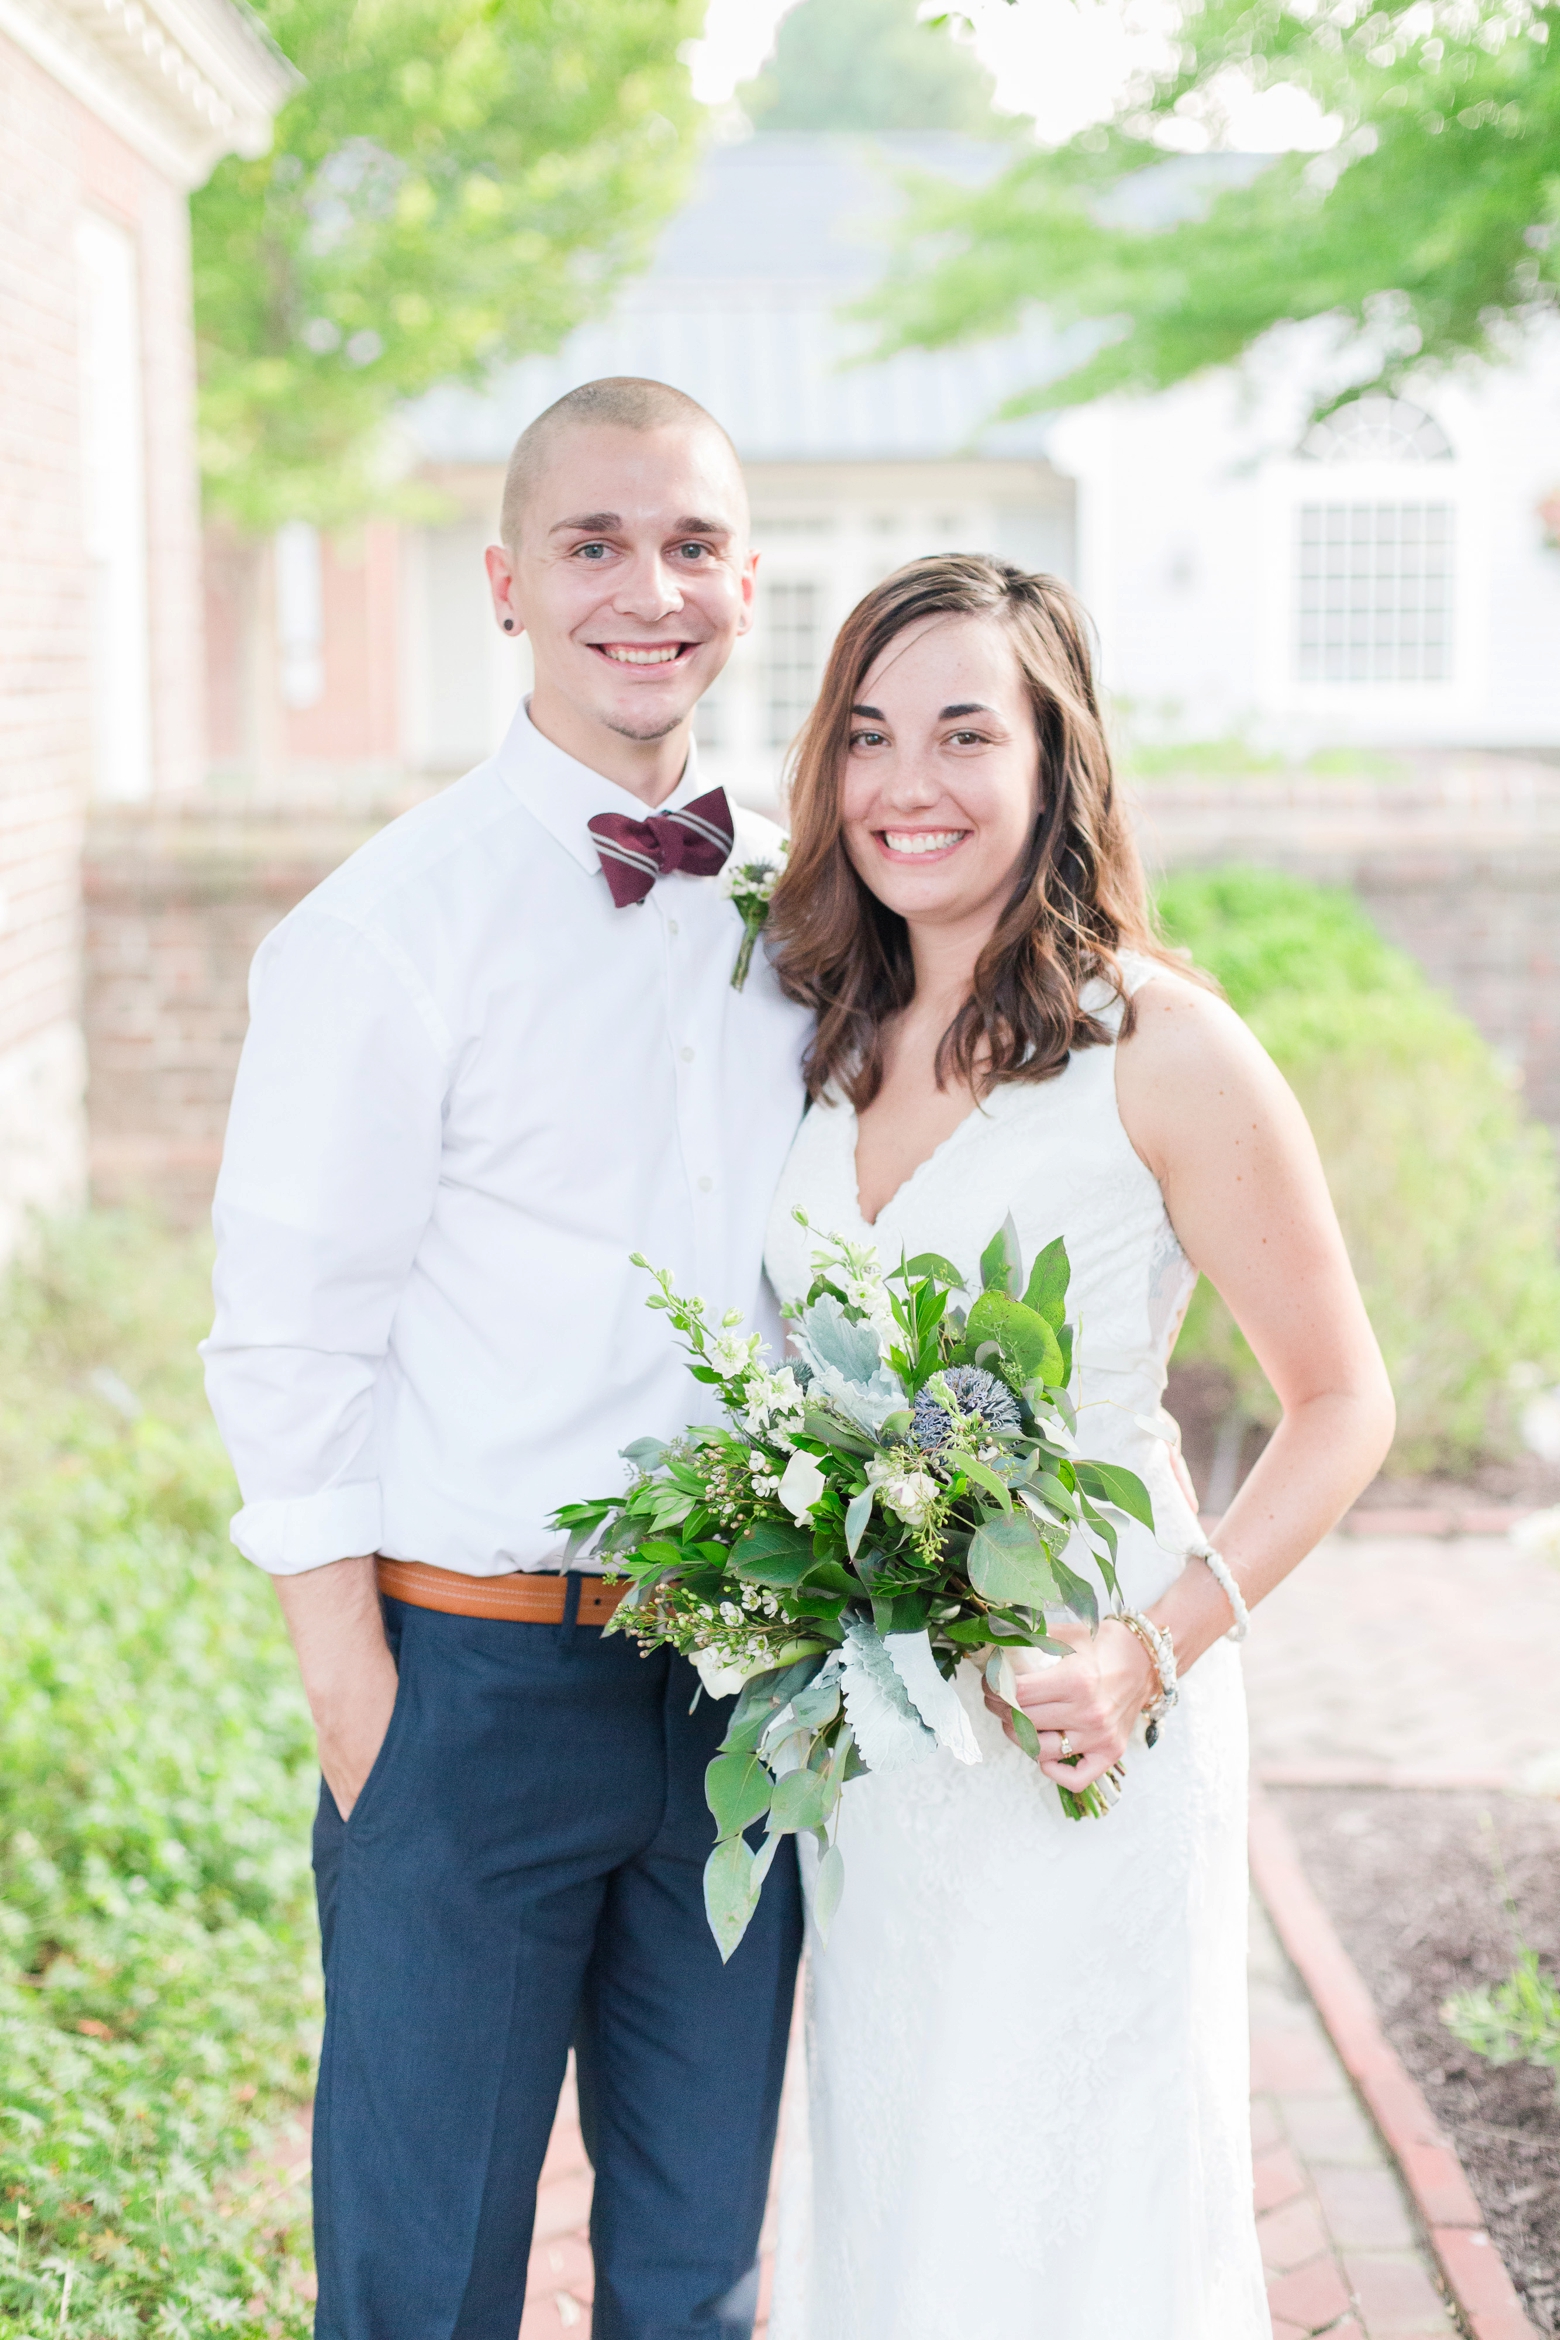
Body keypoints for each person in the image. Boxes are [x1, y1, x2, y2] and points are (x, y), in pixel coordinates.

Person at [201, 377, 809, 2340]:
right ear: (505, 583)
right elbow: (291, 1324)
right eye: (596, 543)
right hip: (469, 1688)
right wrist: (357, 1703)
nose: (650, 588)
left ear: (747, 577)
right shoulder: (390, 929)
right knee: (424, 2279)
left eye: (693, 542)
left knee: (697, 2274)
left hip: (742, 1695)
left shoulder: (817, 908)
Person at [760, 554, 1396, 2340]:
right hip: (880, 1748)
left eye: (967, 732)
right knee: (899, 2166)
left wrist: (1145, 1652)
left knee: (1078, 2192)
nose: (908, 783)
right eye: (868, 737)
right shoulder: (818, 1034)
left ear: (1058, 761)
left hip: (1082, 1721)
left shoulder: (1160, 1045)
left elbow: (1344, 1402)